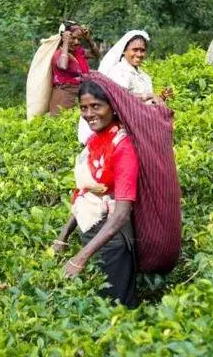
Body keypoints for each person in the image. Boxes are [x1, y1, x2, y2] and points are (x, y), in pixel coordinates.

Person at [52, 80, 139, 308]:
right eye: (84, 107)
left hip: (112, 245)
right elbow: (86, 195)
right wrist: (63, 236)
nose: (89, 114)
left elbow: (121, 214)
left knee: (117, 309)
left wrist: (80, 257)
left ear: (113, 107)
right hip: (91, 238)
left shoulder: (123, 146)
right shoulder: (94, 140)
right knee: (97, 310)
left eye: (96, 106)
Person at [49, 21, 101, 116]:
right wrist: (65, 43)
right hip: (63, 101)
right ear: (64, 38)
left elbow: (96, 54)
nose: (77, 42)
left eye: (79, 39)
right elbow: (63, 66)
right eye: (73, 38)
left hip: (79, 97)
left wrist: (89, 39)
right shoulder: (58, 54)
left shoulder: (78, 52)